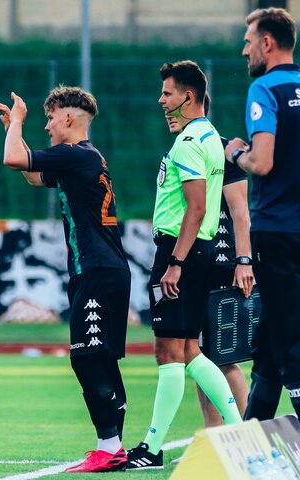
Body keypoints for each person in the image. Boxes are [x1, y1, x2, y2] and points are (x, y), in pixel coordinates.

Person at [0, 86, 131, 473]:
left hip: (96, 270)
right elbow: (33, 176)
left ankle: (110, 447)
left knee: (86, 356)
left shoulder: (75, 155)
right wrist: (12, 130)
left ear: (68, 118)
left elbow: (12, 159)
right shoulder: (86, 157)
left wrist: (17, 123)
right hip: (106, 270)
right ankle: (113, 447)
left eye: (51, 117)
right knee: (101, 359)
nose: (47, 125)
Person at [126, 61, 242, 471]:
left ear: (187, 97)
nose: (161, 101)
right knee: (191, 350)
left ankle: (152, 449)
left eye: (167, 93)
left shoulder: (189, 142)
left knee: (168, 352)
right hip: (198, 252)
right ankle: (239, 431)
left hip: (181, 251)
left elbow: (196, 207)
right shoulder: (209, 136)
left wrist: (174, 263)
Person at [225, 7, 300, 419]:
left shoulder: (266, 88)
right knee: (269, 339)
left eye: (249, 42)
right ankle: (253, 433)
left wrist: (236, 152)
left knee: (289, 340)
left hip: (277, 232)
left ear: (267, 43)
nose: (244, 51)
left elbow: (263, 161)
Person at [168, 94, 253, 428]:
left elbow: (240, 211)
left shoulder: (221, 149)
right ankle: (216, 437)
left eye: (170, 97)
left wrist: (243, 260)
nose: (164, 106)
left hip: (221, 264)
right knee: (200, 356)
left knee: (224, 358)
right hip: (197, 263)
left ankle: (249, 434)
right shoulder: (184, 148)